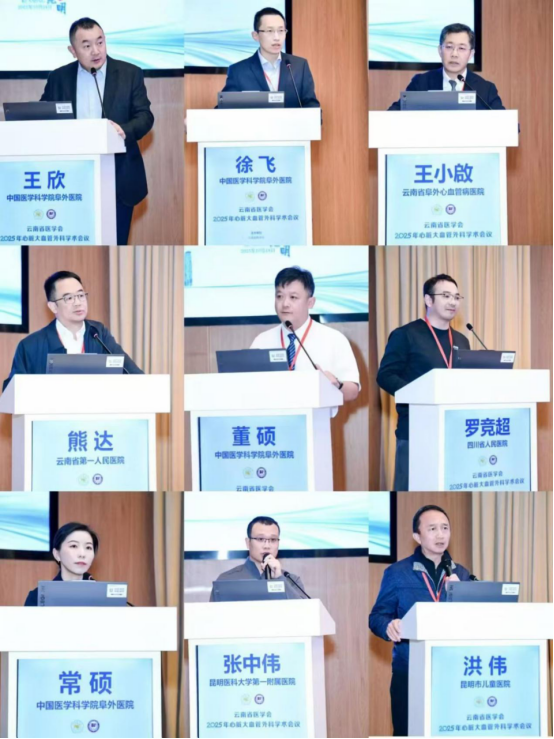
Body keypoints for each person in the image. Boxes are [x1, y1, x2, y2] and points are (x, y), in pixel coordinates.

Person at [40, 17, 154, 245]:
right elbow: (44, 116)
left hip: (119, 177)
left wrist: (123, 130)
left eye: (100, 42)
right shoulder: (58, 78)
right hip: (72, 178)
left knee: (116, 243)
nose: (96, 51)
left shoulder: (130, 73)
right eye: (86, 45)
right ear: (73, 51)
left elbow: (145, 116)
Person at [369, 505, 471, 737]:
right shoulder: (398, 572)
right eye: (432, 529)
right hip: (409, 671)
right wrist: (388, 625)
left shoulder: (461, 574)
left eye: (445, 528)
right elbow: (377, 616)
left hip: (451, 671)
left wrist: (462, 594)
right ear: (417, 536)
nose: (440, 534)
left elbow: (473, 619)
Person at [376, 274, 470, 490]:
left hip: (455, 430)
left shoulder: (462, 340)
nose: (453, 302)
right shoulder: (406, 335)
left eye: (456, 297)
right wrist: (420, 394)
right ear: (428, 300)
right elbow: (385, 375)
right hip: (416, 429)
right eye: (446, 296)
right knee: (411, 487)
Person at [2, 270, 143, 391]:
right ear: (53, 307)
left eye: (81, 295)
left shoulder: (99, 334)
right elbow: (12, 392)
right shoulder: (30, 346)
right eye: (69, 298)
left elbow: (135, 376)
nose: (78, 302)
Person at [251, 267, 360, 403]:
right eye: (279, 296)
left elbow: (352, 392)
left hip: (316, 415)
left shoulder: (334, 339)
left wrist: (337, 385)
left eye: (293, 297)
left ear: (310, 302)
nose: (284, 304)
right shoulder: (261, 341)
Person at [388, 23, 505, 111]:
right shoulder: (421, 83)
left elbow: (504, 122)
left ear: (471, 54)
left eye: (461, 48)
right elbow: (394, 113)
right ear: (440, 50)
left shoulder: (485, 90)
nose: (454, 54)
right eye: (449, 47)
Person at [220, 7, 320, 108]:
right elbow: (224, 108)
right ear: (256, 35)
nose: (276, 37)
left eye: (281, 30)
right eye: (269, 31)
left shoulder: (299, 66)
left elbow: (312, 106)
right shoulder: (238, 71)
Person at [210, 516, 307, 600]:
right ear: (248, 543)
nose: (267, 546)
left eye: (273, 539)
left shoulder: (292, 581)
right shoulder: (226, 580)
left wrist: (279, 578)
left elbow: (304, 611)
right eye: (260, 539)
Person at [25, 522, 98, 606]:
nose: (82, 554)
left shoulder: (101, 595)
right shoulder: (38, 597)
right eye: (74, 546)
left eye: (88, 547)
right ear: (57, 554)